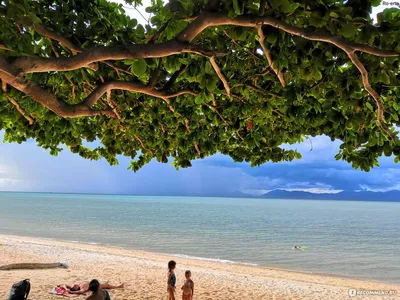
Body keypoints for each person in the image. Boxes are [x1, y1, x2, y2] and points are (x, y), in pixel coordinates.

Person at [58, 281, 124, 294]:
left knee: (106, 284)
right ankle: (118, 286)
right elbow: (81, 292)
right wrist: (71, 292)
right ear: (76, 288)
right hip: (95, 285)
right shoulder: (83, 288)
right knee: (107, 285)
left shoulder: (75, 285)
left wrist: (66, 289)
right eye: (74, 286)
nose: (74, 285)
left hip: (92, 281)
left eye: (74, 285)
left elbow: (62, 284)